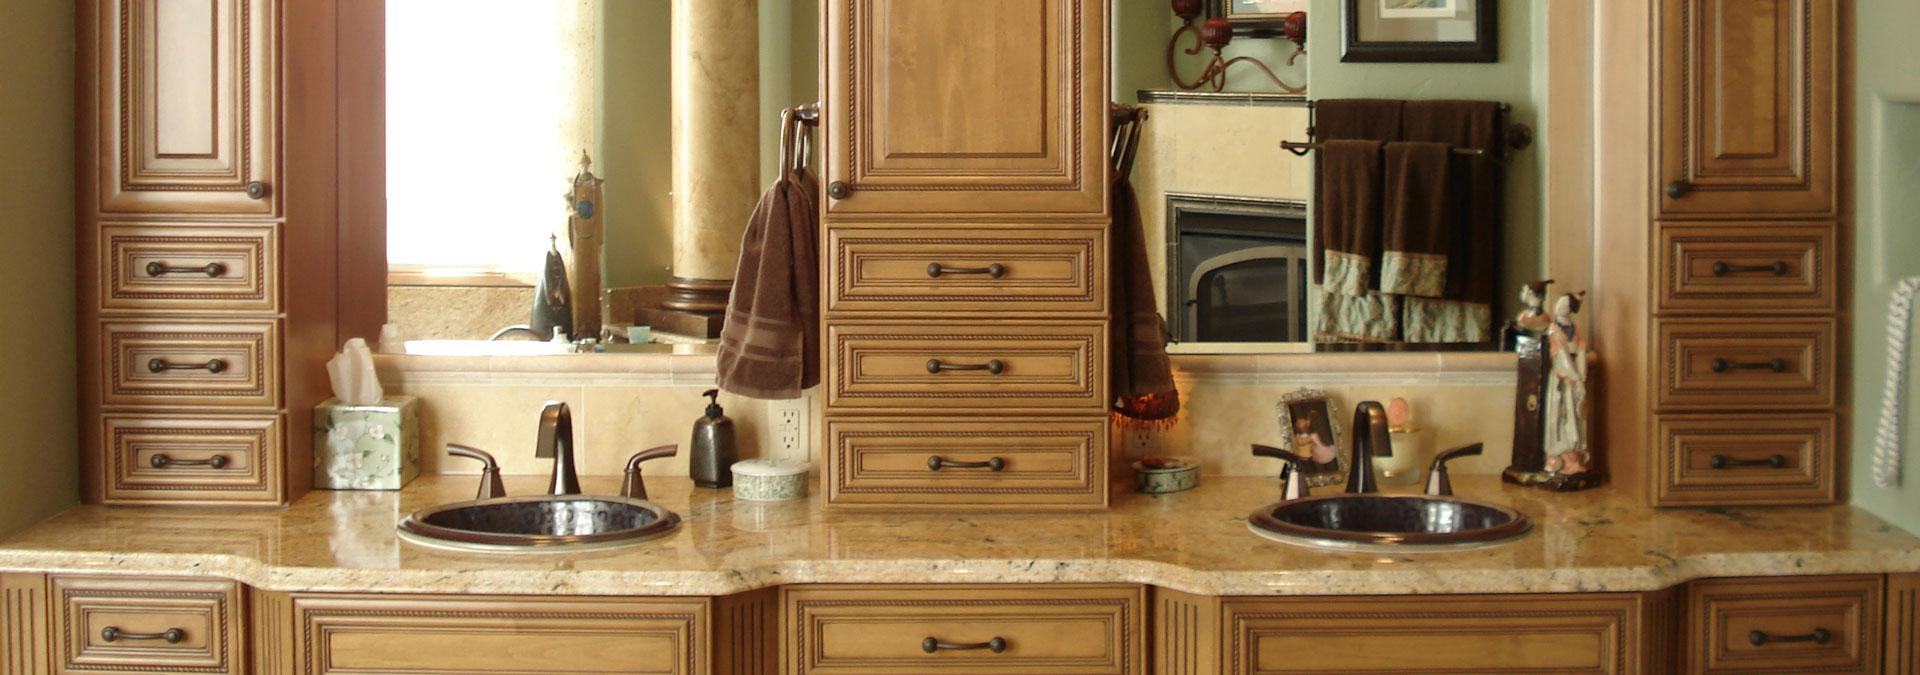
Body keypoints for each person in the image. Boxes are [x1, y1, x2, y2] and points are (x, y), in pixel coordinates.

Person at [1542, 291, 1590, 475]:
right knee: (1560, 417)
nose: (1559, 308)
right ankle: (1558, 460)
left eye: (1564, 305)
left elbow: (1580, 350)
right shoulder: (1554, 329)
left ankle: (1574, 459)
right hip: (1561, 377)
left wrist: (1579, 376)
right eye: (1558, 304)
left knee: (1575, 418)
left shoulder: (1574, 329)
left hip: (1574, 377)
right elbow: (1559, 353)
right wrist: (1571, 375)